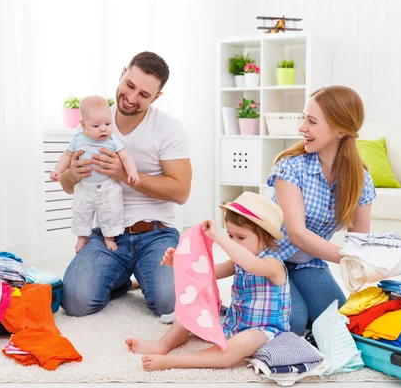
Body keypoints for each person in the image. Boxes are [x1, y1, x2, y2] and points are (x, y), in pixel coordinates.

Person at [59, 52, 192, 318]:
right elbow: (67, 185)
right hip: (109, 233)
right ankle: (123, 279)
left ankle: (146, 275)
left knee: (170, 304)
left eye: (144, 94)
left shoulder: (168, 128)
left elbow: (181, 192)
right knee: (75, 302)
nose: (132, 98)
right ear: (122, 74)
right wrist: (72, 173)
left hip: (156, 233)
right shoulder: (92, 122)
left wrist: (123, 173)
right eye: (130, 85)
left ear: (156, 98)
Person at [125, 192, 290, 372]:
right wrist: (178, 263)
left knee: (236, 348)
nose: (234, 242)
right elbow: (207, 273)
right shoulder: (238, 262)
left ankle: (175, 362)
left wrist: (219, 237)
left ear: (265, 238)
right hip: (234, 325)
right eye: (231, 236)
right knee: (193, 303)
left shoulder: (273, 265)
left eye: (240, 238)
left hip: (264, 332)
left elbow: (251, 265)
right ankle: (164, 344)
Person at [267, 85, 376, 335]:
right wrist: (350, 258)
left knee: (341, 325)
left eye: (312, 121)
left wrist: (374, 262)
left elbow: (360, 242)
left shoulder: (361, 180)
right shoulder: (291, 168)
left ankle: (297, 303)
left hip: (308, 265)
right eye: (304, 118)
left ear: (339, 130)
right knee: (293, 325)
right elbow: (297, 235)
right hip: (270, 262)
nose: (302, 127)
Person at [50, 95, 140, 253]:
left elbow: (125, 156)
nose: (103, 128)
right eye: (96, 125)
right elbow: (67, 156)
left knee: (110, 212)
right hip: (84, 186)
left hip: (107, 186)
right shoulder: (78, 138)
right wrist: (58, 170)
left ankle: (109, 237)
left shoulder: (112, 140)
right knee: (81, 211)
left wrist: (132, 173)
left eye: (107, 123)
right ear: (83, 125)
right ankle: (82, 236)